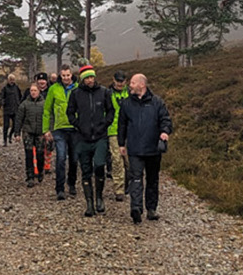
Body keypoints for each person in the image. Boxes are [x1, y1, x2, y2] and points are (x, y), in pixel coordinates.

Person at [117, 72, 173, 223]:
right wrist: (121, 144)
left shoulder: (157, 102)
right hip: (134, 149)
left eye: (133, 83)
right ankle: (136, 208)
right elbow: (121, 125)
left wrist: (165, 132)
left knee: (152, 180)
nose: (130, 85)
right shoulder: (126, 103)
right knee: (135, 178)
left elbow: (166, 119)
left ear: (142, 84)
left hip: (153, 149)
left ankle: (151, 209)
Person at [66, 64, 114, 217]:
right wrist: (78, 124)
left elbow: (111, 110)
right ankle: (89, 204)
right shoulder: (76, 94)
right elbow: (70, 112)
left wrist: (105, 124)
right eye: (87, 78)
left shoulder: (104, 92)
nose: (90, 80)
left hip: (100, 136)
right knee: (85, 170)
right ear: (83, 79)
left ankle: (99, 197)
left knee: (100, 165)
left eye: (92, 77)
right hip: (83, 137)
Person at [41, 65, 77, 200]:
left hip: (75, 129)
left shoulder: (77, 88)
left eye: (68, 75)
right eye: (64, 75)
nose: (66, 78)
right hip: (59, 129)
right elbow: (47, 110)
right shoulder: (53, 89)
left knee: (74, 159)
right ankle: (60, 188)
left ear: (71, 75)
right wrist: (46, 129)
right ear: (60, 76)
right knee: (61, 157)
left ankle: (72, 183)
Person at [15, 80, 47, 185]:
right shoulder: (24, 104)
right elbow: (19, 119)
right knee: (28, 155)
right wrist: (17, 133)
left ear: (39, 91)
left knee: (40, 154)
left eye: (35, 90)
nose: (33, 92)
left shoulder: (45, 103)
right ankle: (30, 177)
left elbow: (49, 117)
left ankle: (40, 171)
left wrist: (49, 130)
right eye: (31, 90)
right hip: (28, 132)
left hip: (40, 132)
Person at [106, 70, 129, 199]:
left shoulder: (131, 93)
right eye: (118, 81)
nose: (120, 83)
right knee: (117, 160)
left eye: (122, 81)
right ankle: (118, 189)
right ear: (113, 80)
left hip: (129, 130)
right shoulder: (108, 94)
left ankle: (128, 183)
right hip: (113, 130)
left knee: (129, 161)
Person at [0, 73, 24, 145]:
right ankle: (5, 140)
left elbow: (21, 97)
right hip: (7, 109)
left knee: (16, 125)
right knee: (6, 126)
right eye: (10, 80)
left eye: (13, 80)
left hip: (15, 109)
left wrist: (21, 104)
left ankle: (10, 136)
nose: (12, 81)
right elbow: (0, 96)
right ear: (8, 80)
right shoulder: (5, 88)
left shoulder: (17, 87)